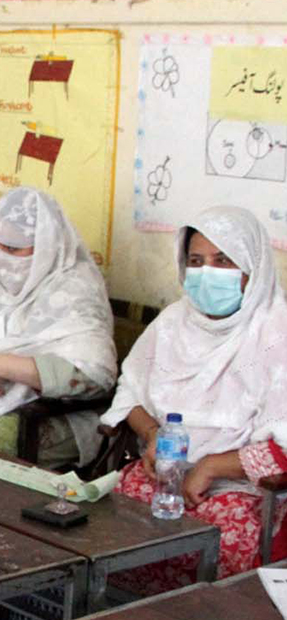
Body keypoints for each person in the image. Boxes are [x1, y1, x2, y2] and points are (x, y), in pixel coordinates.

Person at [100, 206, 287, 590]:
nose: (206, 274)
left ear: (253, 266)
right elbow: (131, 393)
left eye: (223, 261)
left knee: (222, 536)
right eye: (196, 261)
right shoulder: (172, 322)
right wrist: (153, 434)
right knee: (108, 522)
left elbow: (282, 449)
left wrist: (214, 466)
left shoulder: (276, 333)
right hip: (163, 474)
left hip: (242, 490)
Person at [0, 187, 117, 468]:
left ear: (47, 246)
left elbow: (96, 375)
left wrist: (4, 365)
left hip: (54, 416)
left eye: (12, 248)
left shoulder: (74, 288)